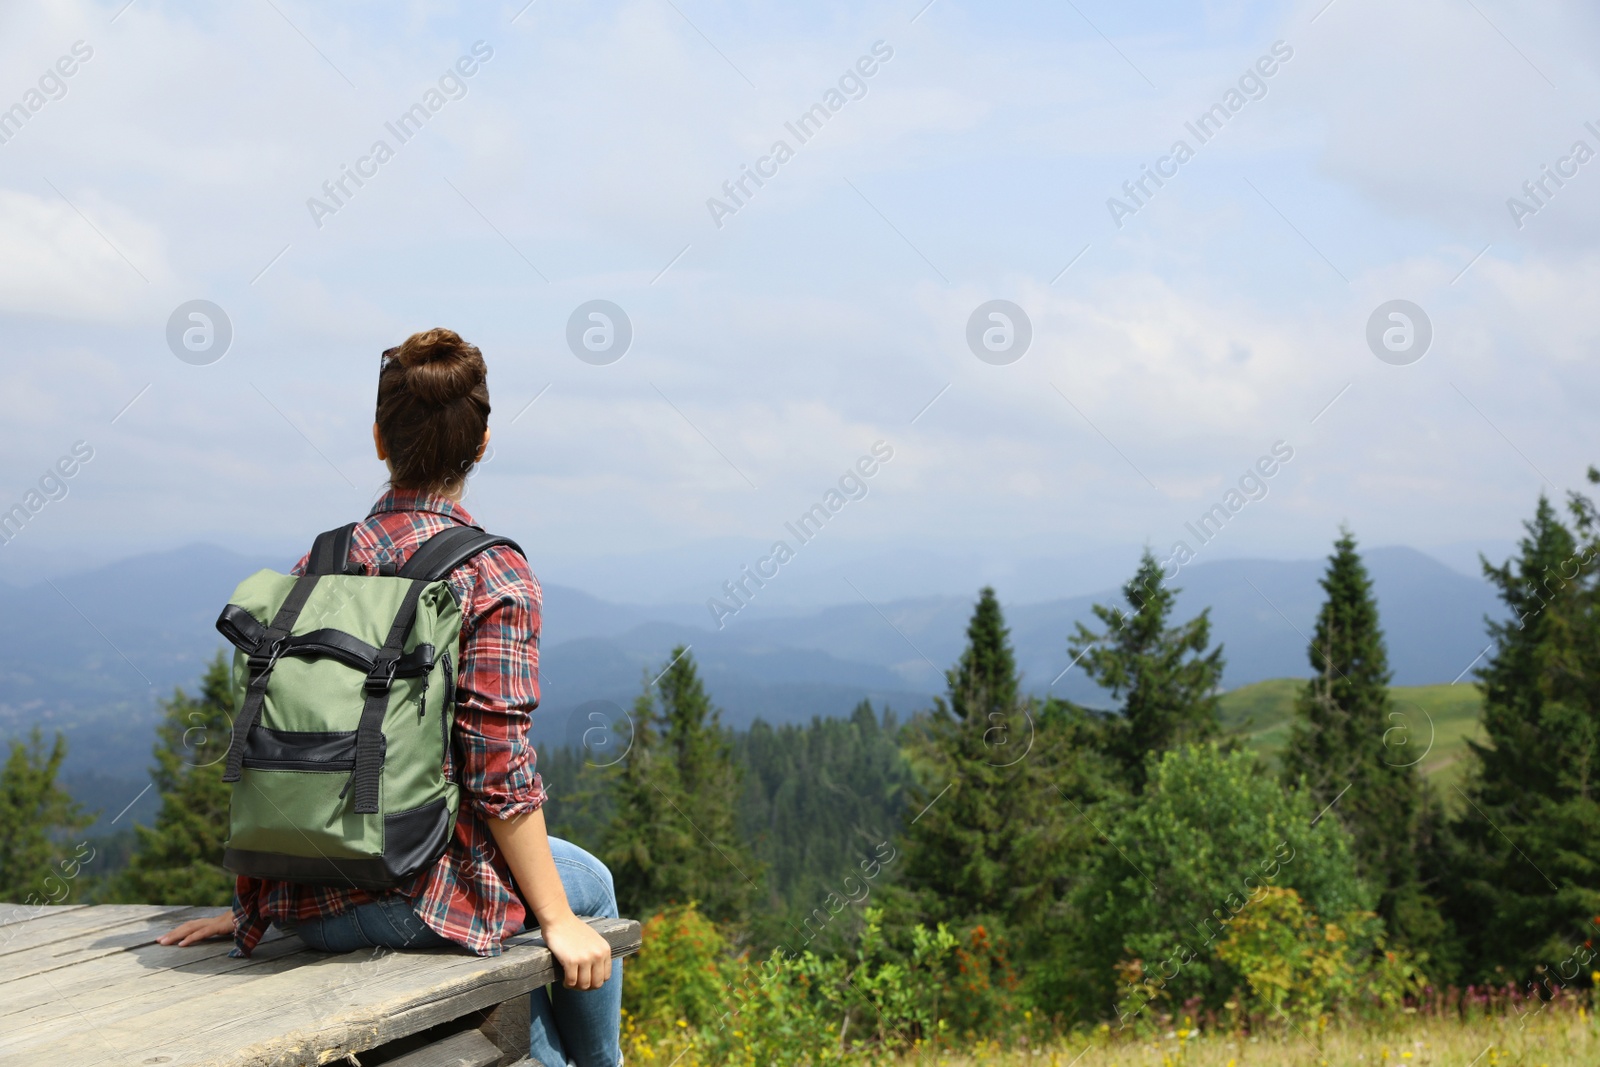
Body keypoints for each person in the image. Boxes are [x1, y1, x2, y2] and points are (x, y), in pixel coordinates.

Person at [159, 328, 621, 1067]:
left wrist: (254, 900)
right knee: (585, 883)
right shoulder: (492, 574)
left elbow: (277, 737)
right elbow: (498, 770)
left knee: (529, 909)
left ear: (379, 439)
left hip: (304, 902)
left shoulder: (320, 561)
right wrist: (561, 915)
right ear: (484, 442)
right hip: (414, 899)